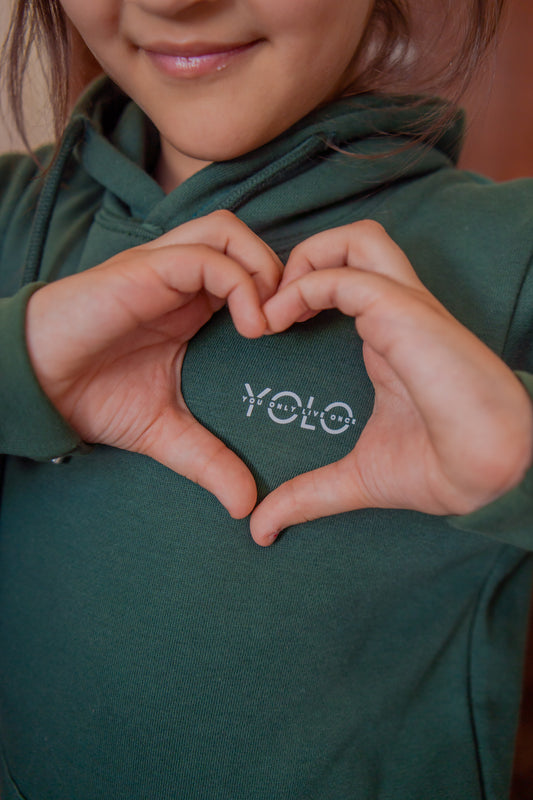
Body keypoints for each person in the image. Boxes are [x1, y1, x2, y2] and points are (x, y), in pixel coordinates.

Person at [0, 0, 531, 797]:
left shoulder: (512, 250)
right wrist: (22, 355)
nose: (172, 1)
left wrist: (515, 457)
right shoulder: (11, 213)